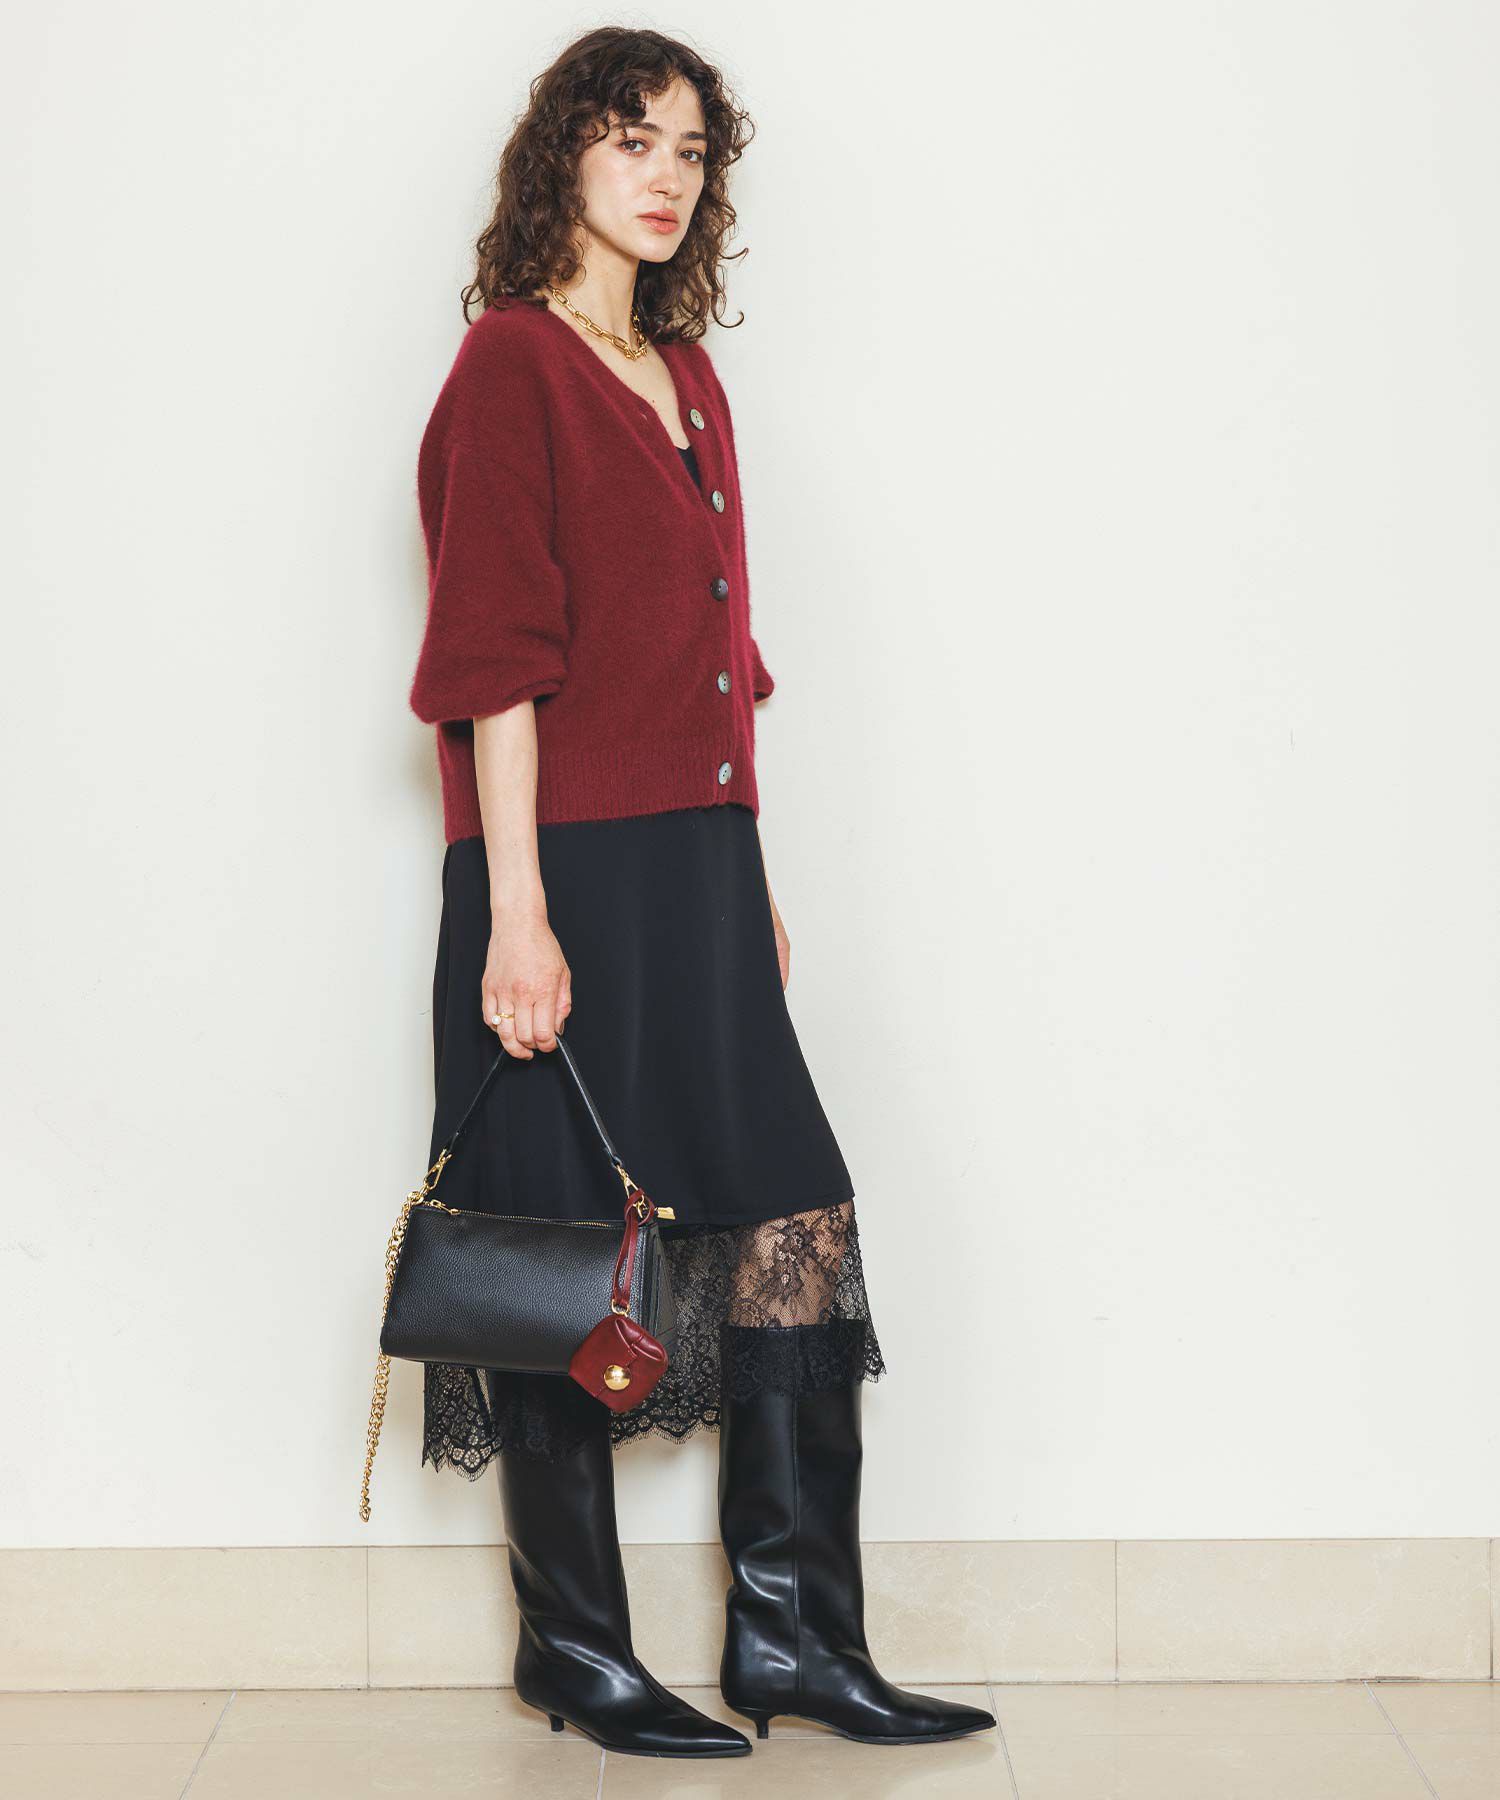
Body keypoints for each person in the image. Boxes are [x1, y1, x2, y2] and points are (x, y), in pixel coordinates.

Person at [407, 25, 997, 1761]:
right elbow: (495, 667)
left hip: (703, 864)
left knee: (783, 1220)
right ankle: (576, 1651)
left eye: (689, 151)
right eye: (630, 140)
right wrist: (518, 912)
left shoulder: (684, 374)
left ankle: (796, 1636)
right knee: (561, 1245)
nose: (665, 176)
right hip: (566, 870)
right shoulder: (510, 365)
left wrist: (753, 871)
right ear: (562, 160)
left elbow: (713, 666)